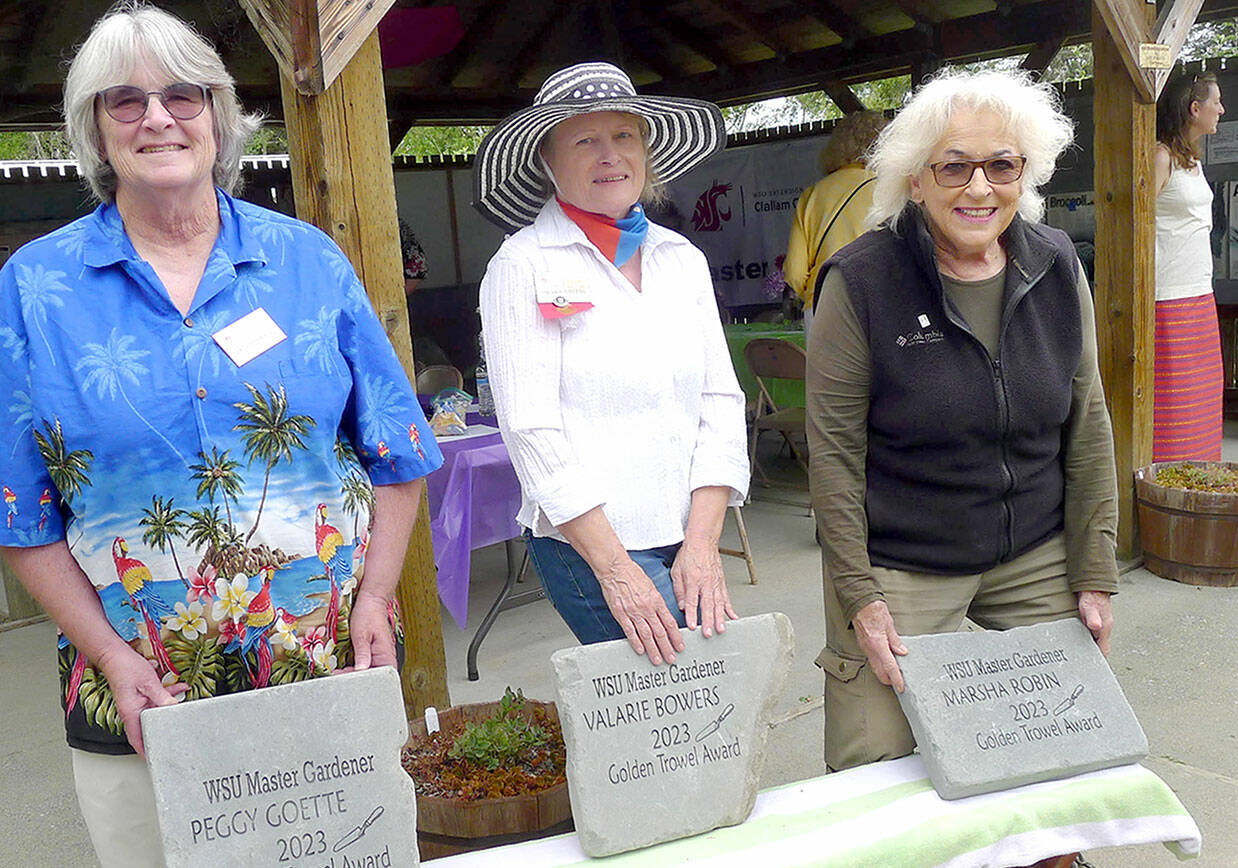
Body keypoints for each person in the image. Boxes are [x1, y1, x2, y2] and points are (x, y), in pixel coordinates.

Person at [0, 5, 441, 865]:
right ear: (95, 132)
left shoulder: (307, 263)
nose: (159, 117)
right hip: (142, 688)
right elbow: (9, 512)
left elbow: (397, 451)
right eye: (125, 101)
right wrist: (107, 654)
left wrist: (376, 596)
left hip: (327, 665)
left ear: (220, 116)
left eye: (184, 94)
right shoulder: (34, 291)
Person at [806, 68, 1119, 782]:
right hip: (902, 555)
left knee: (1074, 735)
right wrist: (861, 597)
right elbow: (832, 458)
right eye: (953, 166)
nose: (979, 188)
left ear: (1024, 173)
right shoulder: (860, 282)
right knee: (874, 768)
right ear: (915, 180)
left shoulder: (1058, 264)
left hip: (1032, 543)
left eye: (1001, 165)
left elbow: (1089, 427)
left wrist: (1095, 572)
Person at [473, 62, 750, 666]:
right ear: (547, 161)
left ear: (646, 151)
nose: (610, 156)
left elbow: (721, 403)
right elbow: (532, 430)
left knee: (708, 702)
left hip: (688, 531)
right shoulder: (523, 266)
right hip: (594, 546)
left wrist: (703, 544)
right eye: (584, 139)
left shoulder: (681, 258)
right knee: (677, 708)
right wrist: (618, 571)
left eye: (624, 135)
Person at [1153, 70, 1226, 462]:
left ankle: (1196, 478)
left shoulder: (1192, 161)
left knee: (1201, 395)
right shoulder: (1161, 155)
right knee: (1172, 398)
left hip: (1198, 294)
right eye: (1215, 101)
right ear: (1194, 108)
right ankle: (1164, 480)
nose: (1222, 109)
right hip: (1168, 298)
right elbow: (1134, 225)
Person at [782, 110, 888, 320]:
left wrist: (814, 293)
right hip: (880, 303)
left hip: (822, 304)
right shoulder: (891, 192)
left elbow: (794, 272)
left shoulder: (813, 195)